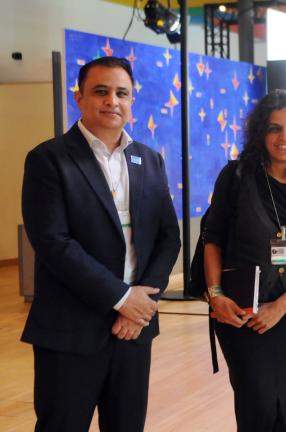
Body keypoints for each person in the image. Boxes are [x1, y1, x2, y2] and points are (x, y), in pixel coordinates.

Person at [21, 56, 181, 431]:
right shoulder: (49, 159)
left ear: (132, 100)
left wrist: (142, 305)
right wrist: (123, 299)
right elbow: (53, 243)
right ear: (79, 98)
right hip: (71, 331)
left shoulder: (149, 159)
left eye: (121, 93)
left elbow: (168, 237)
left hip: (134, 333)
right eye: (101, 91)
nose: (112, 101)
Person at [203, 90, 286, 432]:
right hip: (240, 312)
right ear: (260, 134)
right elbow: (212, 239)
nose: (284, 137)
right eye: (274, 128)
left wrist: (282, 307)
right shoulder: (235, 177)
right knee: (258, 403)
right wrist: (216, 295)